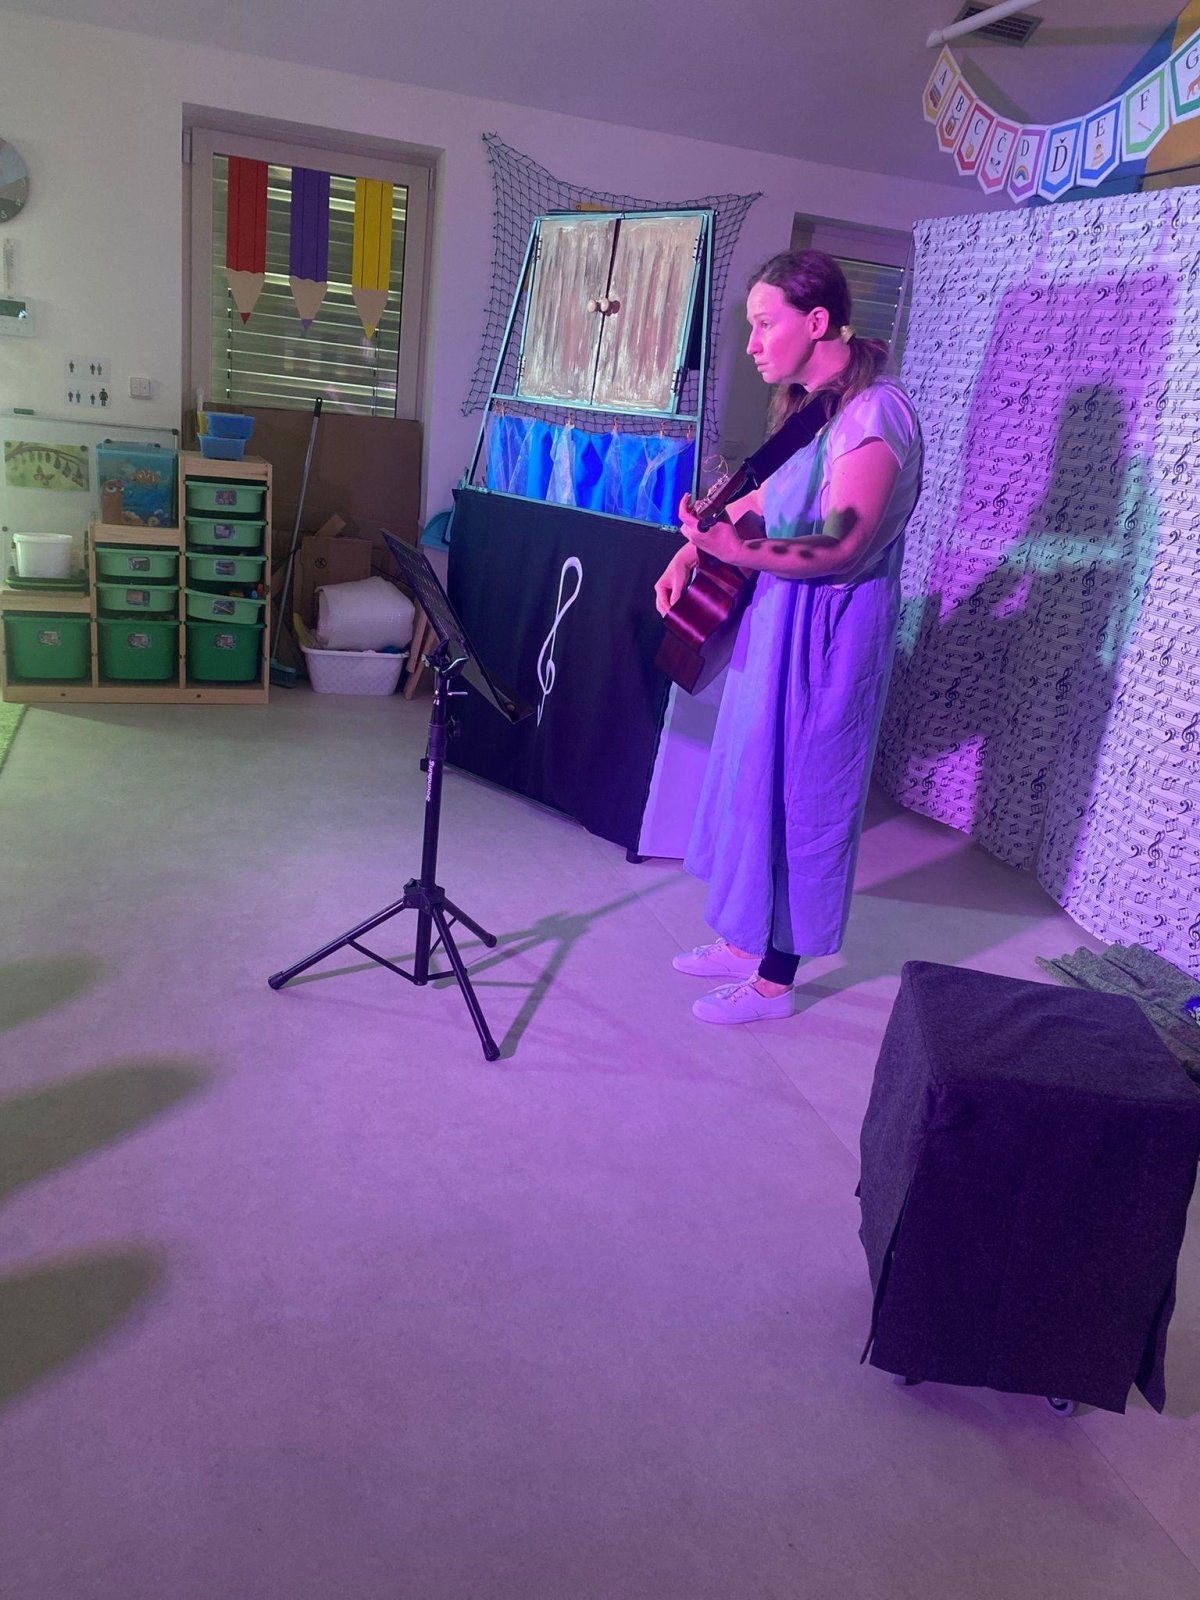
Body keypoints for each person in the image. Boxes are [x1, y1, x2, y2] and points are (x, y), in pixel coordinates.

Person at [654, 250, 923, 1025]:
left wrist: (735, 553)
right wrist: (692, 549)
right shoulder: (814, 408)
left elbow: (843, 545)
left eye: (764, 324)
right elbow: (763, 503)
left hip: (830, 633)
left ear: (817, 321)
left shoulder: (877, 414)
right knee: (751, 780)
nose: (751, 344)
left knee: (802, 798)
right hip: (778, 618)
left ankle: (775, 980)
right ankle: (746, 941)